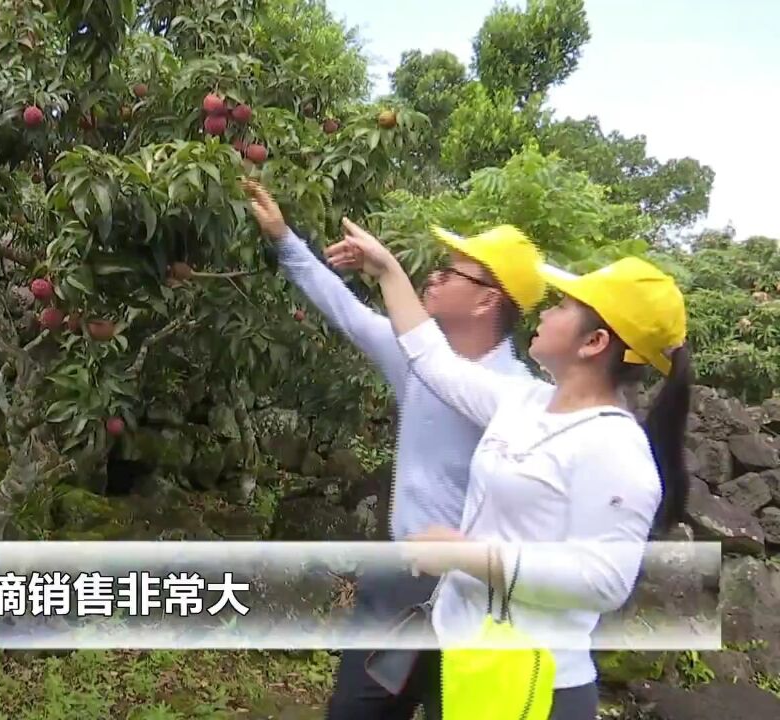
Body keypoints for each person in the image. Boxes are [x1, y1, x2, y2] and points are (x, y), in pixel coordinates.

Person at [328, 219, 691, 719]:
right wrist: (388, 270)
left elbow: (605, 580)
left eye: (564, 307)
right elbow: (434, 360)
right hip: (469, 660)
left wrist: (469, 555)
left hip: (535, 685)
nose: (546, 311)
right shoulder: (523, 402)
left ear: (594, 343)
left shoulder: (616, 448)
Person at [242, 180, 547, 719]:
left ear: (487, 300)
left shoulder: (519, 397)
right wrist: (284, 237)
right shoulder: (416, 356)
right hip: (398, 579)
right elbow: (346, 309)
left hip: (475, 599)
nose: (435, 274)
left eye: (451, 272)